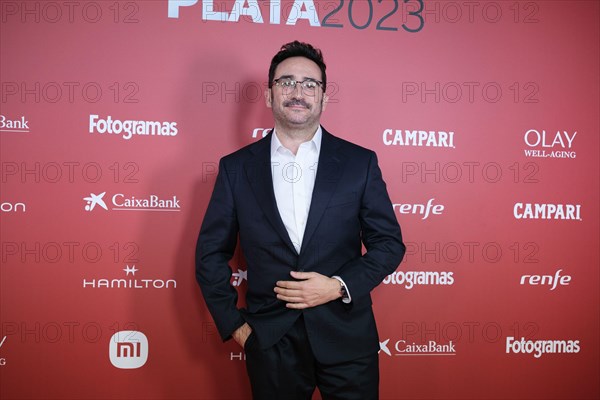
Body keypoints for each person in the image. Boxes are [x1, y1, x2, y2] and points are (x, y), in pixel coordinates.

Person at [196, 40, 405, 400]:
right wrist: (237, 327)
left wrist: (337, 285)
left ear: (323, 98)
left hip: (347, 340)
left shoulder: (360, 163)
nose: (298, 92)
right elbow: (209, 254)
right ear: (269, 95)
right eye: (287, 82)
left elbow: (389, 245)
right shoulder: (236, 168)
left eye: (310, 84)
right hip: (271, 342)